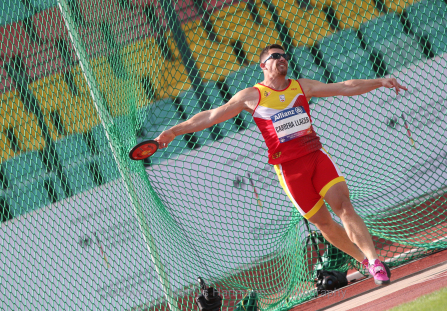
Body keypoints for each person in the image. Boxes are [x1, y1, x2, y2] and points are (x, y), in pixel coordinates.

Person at [155, 44, 407, 286]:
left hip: (315, 157)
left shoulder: (301, 86)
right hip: (289, 170)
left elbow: (343, 86)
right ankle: (362, 260)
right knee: (324, 223)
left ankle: (374, 261)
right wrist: (174, 131)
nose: (282, 58)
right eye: (276, 56)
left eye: (284, 55)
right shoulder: (252, 96)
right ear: (263, 65)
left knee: (343, 206)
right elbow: (211, 116)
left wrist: (379, 82)